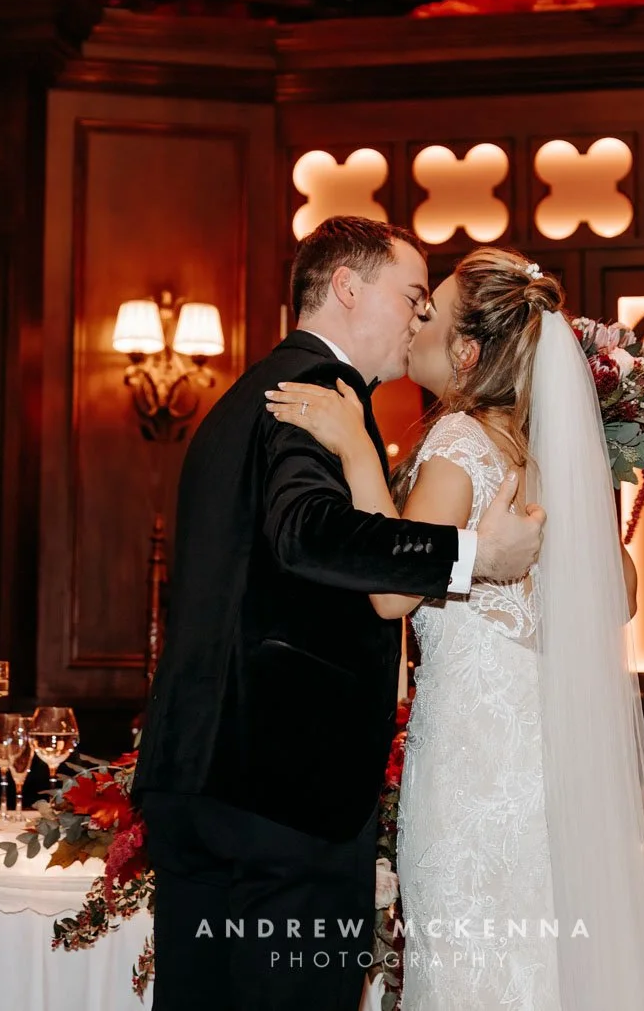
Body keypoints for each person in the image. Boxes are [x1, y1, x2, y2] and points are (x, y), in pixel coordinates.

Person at [133, 219, 547, 1011]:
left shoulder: (245, 396)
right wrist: (473, 553)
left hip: (199, 779)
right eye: (412, 296)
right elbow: (307, 532)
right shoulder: (318, 392)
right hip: (282, 792)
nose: (421, 317)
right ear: (348, 287)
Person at [268, 247, 644, 1010]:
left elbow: (393, 593)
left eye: (432, 310)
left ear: (464, 352)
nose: (416, 318)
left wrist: (355, 449)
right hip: (543, 760)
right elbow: (619, 595)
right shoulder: (538, 451)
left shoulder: (458, 440)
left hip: (471, 770)